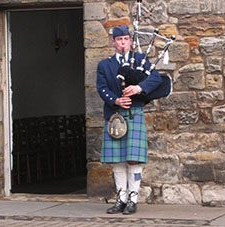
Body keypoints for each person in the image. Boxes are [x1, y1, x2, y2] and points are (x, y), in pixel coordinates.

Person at [96, 25, 162, 215]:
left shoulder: (139, 60)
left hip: (135, 112)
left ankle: (133, 199)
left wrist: (138, 88)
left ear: (130, 41)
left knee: (133, 160)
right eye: (119, 40)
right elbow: (101, 88)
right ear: (114, 42)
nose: (123, 43)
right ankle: (121, 199)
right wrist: (115, 100)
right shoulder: (105, 65)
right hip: (114, 115)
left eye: (125, 39)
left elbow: (155, 78)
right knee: (117, 161)